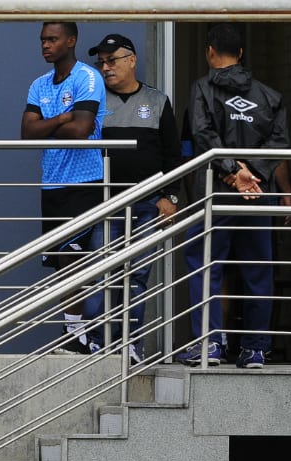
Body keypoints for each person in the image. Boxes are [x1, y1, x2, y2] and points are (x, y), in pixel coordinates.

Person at [178, 23, 288, 369]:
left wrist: (232, 171)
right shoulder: (270, 96)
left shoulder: (202, 89)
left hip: (217, 194)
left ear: (210, 52)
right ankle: (255, 348)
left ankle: (209, 345)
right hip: (259, 194)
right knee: (258, 271)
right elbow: (280, 143)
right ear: (240, 54)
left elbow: (202, 133)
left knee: (205, 265)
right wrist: (251, 173)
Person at [82, 34, 182, 363]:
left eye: (113, 61)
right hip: (106, 204)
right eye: (102, 62)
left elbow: (172, 155)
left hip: (148, 203)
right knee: (100, 271)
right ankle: (97, 341)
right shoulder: (94, 100)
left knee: (137, 275)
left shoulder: (156, 101)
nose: (106, 68)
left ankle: (130, 343)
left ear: (132, 61)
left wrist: (171, 197)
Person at [21, 22, 106, 354]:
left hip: (84, 181)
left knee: (75, 259)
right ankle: (75, 332)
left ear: (71, 41)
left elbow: (82, 129)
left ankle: (76, 334)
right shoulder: (39, 84)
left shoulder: (87, 77)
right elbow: (27, 133)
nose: (45, 45)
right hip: (52, 181)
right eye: (42, 39)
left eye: (52, 39)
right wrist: (59, 119)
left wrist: (47, 124)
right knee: (60, 260)